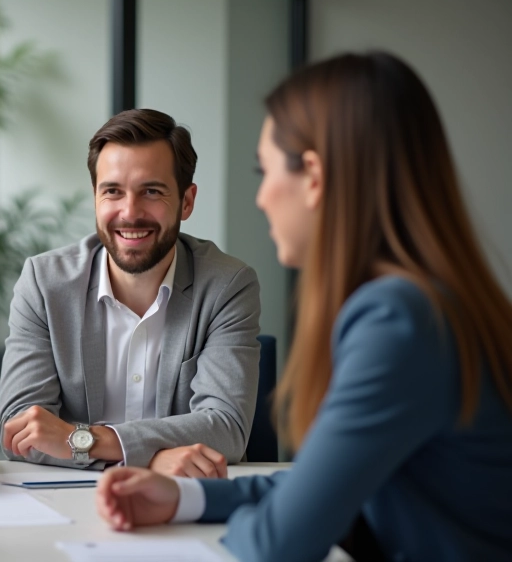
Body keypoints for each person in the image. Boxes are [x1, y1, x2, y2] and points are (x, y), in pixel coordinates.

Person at [95, 52, 512, 561]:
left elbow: (280, 542)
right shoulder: (422, 301)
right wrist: (183, 496)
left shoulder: (397, 320)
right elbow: (318, 487)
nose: (262, 197)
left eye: (264, 171)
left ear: (313, 176)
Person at [0, 108, 261, 475]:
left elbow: (227, 427)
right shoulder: (44, 284)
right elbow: (20, 431)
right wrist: (151, 458)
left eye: (151, 191)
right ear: (95, 197)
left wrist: (87, 441)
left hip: (183, 504)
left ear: (187, 201)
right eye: (112, 192)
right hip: (69, 502)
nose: (129, 212)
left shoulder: (227, 285)